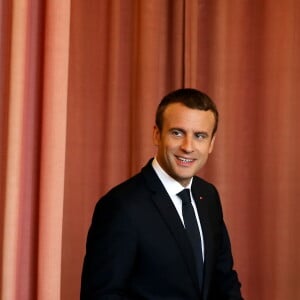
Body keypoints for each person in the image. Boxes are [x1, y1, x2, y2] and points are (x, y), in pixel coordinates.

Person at [81, 88, 243, 300]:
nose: (188, 147)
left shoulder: (208, 195)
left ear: (211, 143)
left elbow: (224, 280)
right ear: (157, 135)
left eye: (200, 136)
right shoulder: (120, 206)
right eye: (177, 133)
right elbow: (102, 295)